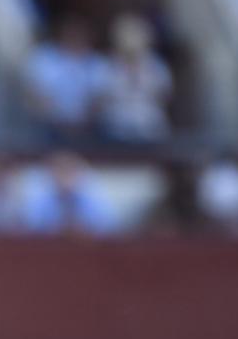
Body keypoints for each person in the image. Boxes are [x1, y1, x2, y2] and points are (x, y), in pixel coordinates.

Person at [24, 17, 111, 145]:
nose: (75, 38)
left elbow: (101, 98)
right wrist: (57, 120)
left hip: (87, 127)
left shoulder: (97, 62)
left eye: (79, 35)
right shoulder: (43, 58)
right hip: (49, 126)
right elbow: (33, 95)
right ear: (61, 35)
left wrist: (82, 122)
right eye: (71, 34)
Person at [100, 14, 173, 145]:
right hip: (116, 128)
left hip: (149, 126)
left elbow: (164, 96)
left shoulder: (156, 66)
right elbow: (101, 98)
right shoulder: (108, 67)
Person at [18, 151, 120, 236]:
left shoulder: (93, 197)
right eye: (59, 171)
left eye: (68, 171)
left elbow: (107, 227)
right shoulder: (39, 198)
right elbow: (30, 228)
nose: (64, 177)